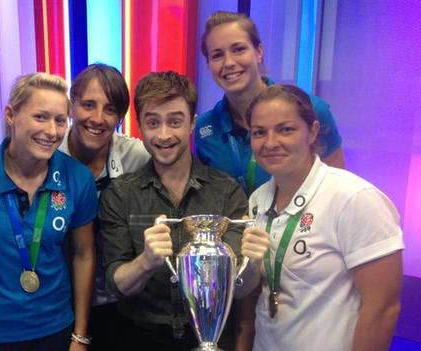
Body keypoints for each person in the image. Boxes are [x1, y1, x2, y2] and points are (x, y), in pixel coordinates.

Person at [99, 71, 269, 351]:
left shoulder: (225, 191)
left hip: (212, 337)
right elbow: (115, 283)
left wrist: (252, 265)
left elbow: (239, 289)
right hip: (139, 338)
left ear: (191, 123)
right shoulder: (119, 194)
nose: (164, 135)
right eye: (153, 122)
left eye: (175, 121)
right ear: (139, 125)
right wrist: (146, 261)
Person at [245, 84, 403, 350]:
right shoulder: (258, 200)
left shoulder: (354, 198)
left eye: (286, 129)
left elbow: (383, 308)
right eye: (259, 132)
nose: (270, 143)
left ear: (312, 132)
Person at [0, 72, 97, 351]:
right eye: (40, 117)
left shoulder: (77, 178)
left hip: (55, 328)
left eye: (60, 120)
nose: (52, 131)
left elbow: (84, 255)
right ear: (11, 115)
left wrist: (80, 335)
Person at [195, 11, 345, 196]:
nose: (229, 63)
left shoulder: (313, 111)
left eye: (238, 49)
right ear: (208, 64)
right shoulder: (205, 128)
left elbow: (337, 191)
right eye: (217, 55)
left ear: (259, 52)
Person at [58, 63, 149, 350]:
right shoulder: (47, 151)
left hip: (119, 303)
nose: (98, 118)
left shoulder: (136, 156)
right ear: (71, 104)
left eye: (110, 110)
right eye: (88, 105)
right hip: (60, 302)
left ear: (120, 117)